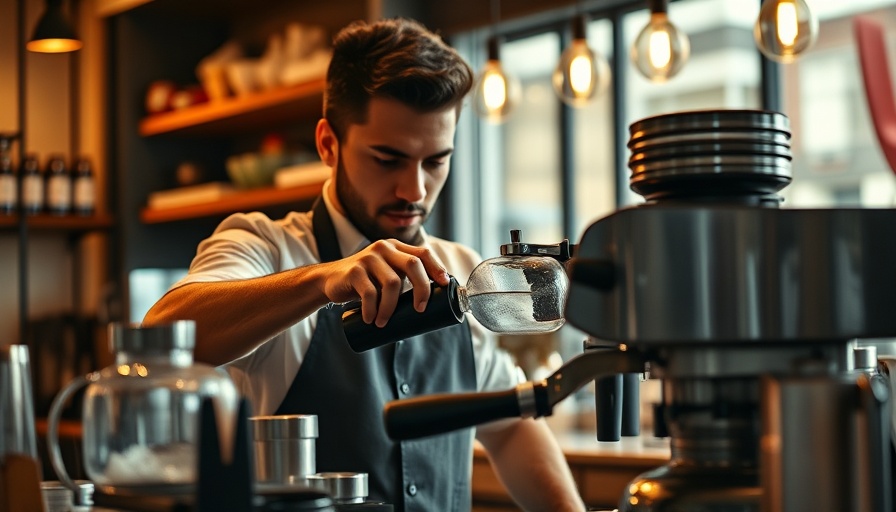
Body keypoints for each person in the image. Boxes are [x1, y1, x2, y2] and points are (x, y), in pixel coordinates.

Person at [144, 17, 585, 512]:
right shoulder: (264, 246)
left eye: (436, 161)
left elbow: (511, 431)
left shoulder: (461, 268)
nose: (414, 190)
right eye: (387, 159)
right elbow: (164, 334)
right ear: (328, 144)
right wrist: (324, 279)